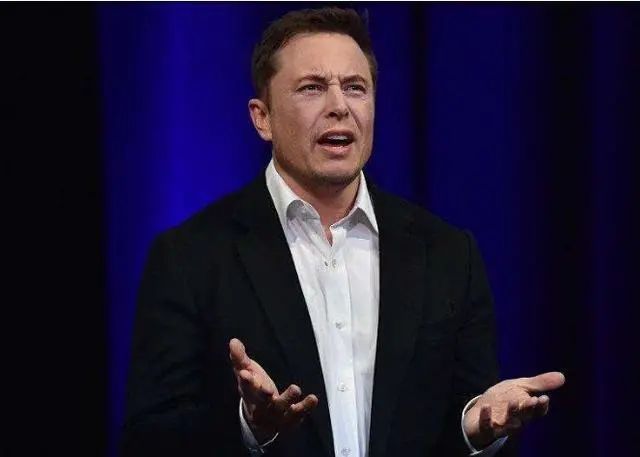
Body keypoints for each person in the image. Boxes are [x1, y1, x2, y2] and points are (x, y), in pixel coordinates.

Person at [122, 7, 565, 457]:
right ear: (262, 117)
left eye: (355, 87)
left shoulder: (449, 254)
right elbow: (149, 439)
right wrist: (250, 428)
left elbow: (460, 418)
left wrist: (476, 432)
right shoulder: (190, 257)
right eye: (312, 88)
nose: (339, 106)